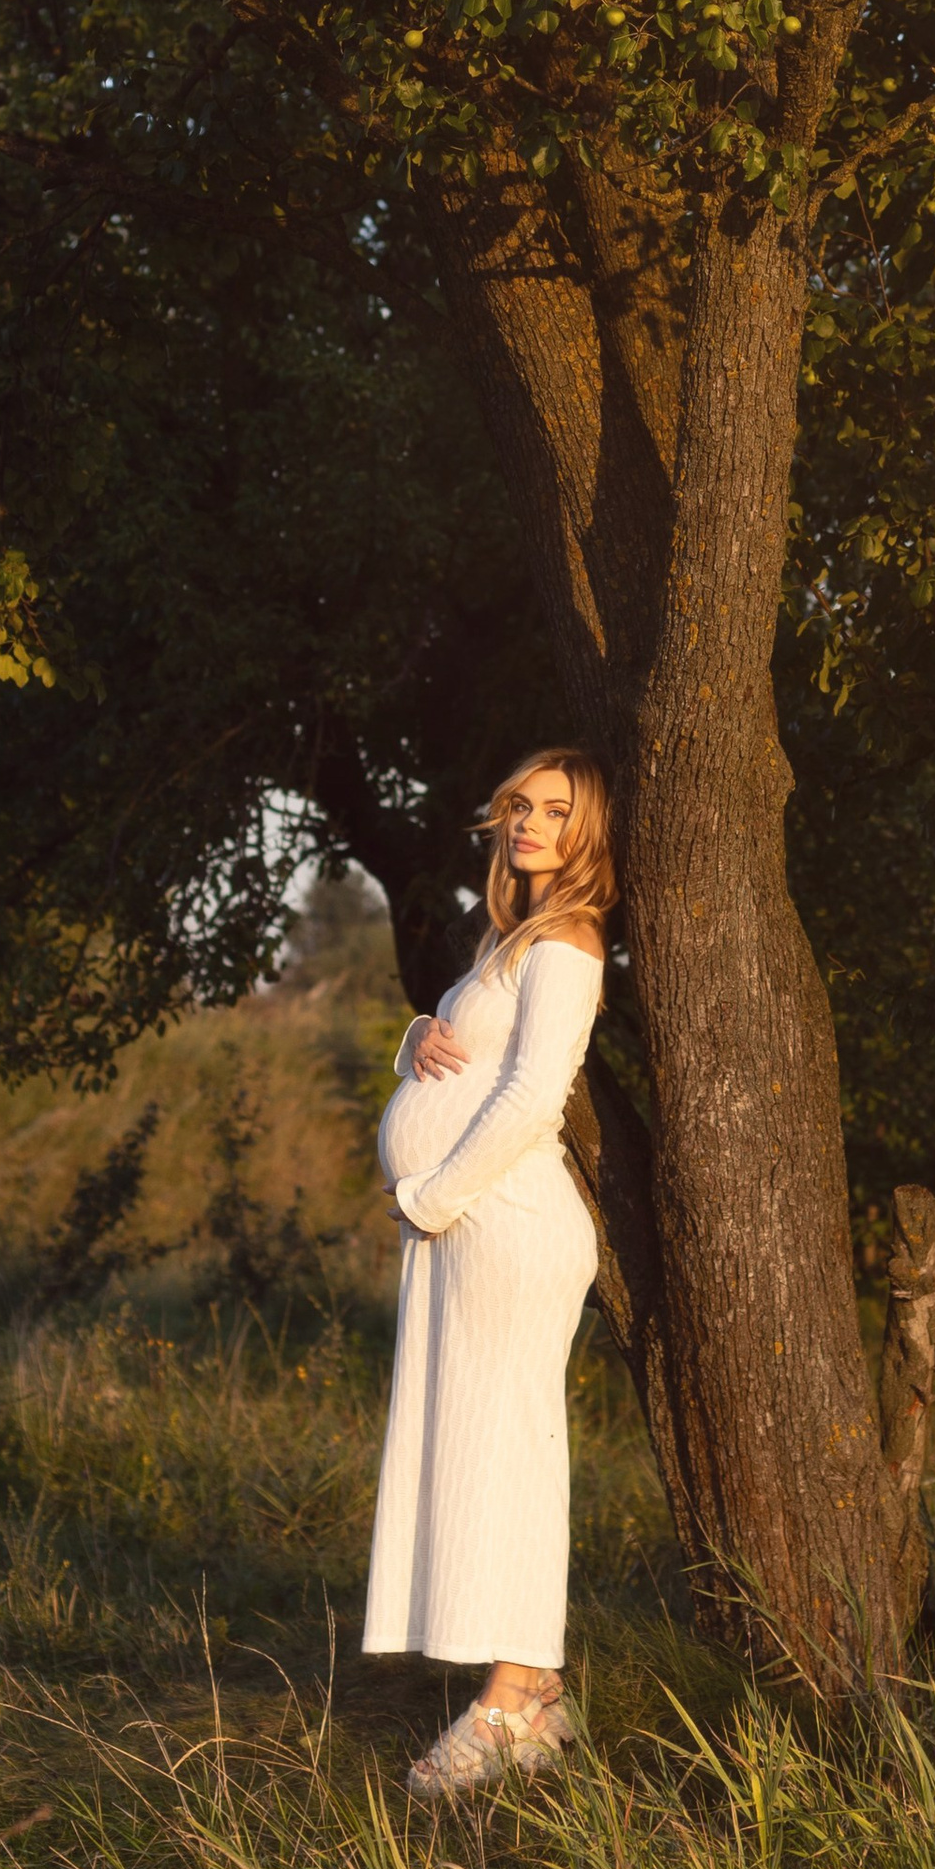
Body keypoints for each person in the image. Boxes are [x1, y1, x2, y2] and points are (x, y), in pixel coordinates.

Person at [362, 746, 611, 1800]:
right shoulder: (507, 942)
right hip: (469, 1224)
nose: (528, 823)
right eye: (517, 804)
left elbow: (529, 1101)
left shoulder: (569, 944)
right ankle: (527, 1692)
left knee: (509, 1449)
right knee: (476, 1449)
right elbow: (461, 1056)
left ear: (587, 829)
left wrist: (431, 1196)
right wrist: (417, 1032)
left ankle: (517, 1700)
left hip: (502, 1222)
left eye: (555, 810)